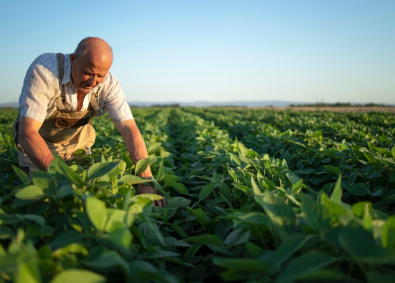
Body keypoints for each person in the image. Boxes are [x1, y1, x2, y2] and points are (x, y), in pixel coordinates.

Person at [13, 37, 165, 207]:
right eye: (88, 72)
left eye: (100, 75)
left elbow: (129, 130)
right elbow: (27, 134)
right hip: (38, 147)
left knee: (91, 201)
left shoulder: (110, 84)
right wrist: (65, 180)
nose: (93, 82)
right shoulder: (45, 72)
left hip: (78, 146)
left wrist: (145, 180)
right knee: (44, 202)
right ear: (73, 59)